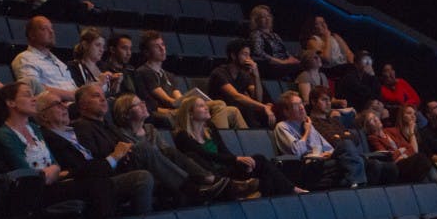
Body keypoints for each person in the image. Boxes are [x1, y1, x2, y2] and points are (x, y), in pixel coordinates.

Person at [72, 84, 228, 205]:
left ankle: (208, 181)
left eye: (103, 96)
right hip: (115, 171)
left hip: (127, 163)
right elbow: (94, 160)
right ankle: (194, 190)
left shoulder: (107, 125)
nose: (103, 99)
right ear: (83, 105)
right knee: (145, 148)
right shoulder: (82, 126)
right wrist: (117, 154)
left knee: (168, 151)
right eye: (96, 96)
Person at [32, 87, 154, 215]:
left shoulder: (74, 131)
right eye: (57, 104)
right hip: (93, 181)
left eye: (64, 102)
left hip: (103, 174)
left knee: (150, 154)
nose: (65, 107)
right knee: (142, 176)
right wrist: (115, 156)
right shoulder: (48, 137)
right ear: (44, 116)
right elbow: (80, 167)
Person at [112, 92, 245, 197]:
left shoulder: (150, 128)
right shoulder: (121, 135)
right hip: (146, 173)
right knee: (151, 149)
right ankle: (202, 184)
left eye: (142, 102)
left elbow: (166, 153)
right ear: (125, 114)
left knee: (172, 151)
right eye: (137, 104)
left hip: (164, 171)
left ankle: (209, 179)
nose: (143, 105)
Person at [172, 96, 300, 196]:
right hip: (212, 176)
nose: (206, 108)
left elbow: (224, 151)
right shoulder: (183, 136)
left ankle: (289, 190)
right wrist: (235, 160)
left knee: (258, 161)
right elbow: (206, 155)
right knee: (193, 156)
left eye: (206, 105)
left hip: (226, 170)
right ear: (190, 114)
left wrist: (239, 163)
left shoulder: (210, 129)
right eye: (201, 106)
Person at [134, 30, 245, 129]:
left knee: (233, 111)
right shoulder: (145, 71)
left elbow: (178, 98)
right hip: (166, 113)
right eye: (156, 46)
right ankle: (218, 142)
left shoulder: (168, 75)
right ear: (147, 52)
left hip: (177, 109)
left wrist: (191, 100)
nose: (162, 49)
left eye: (162, 45)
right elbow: (169, 101)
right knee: (218, 104)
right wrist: (192, 102)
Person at [273, 90, 366, 190]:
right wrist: (307, 131)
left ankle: (354, 185)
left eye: (301, 103)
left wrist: (329, 153)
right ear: (286, 112)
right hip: (307, 166)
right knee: (353, 158)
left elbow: (327, 147)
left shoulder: (307, 124)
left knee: (357, 156)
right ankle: (357, 186)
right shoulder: (282, 127)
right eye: (296, 105)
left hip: (323, 160)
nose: (301, 107)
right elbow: (297, 151)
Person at [309, 86, 397, 186]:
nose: (328, 103)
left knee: (389, 167)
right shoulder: (311, 122)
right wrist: (343, 136)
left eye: (329, 100)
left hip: (350, 155)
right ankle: (357, 186)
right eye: (324, 100)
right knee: (346, 144)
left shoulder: (334, 121)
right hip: (331, 155)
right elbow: (333, 140)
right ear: (313, 102)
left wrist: (340, 136)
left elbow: (355, 139)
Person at [207, 39, 276, 127]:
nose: (248, 59)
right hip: (222, 113)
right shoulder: (219, 73)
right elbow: (236, 96)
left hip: (239, 113)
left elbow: (258, 98)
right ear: (233, 56)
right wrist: (264, 107)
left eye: (249, 55)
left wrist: (256, 76)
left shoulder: (244, 75)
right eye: (245, 54)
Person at [10, 15, 78, 101]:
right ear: (32, 35)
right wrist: (73, 96)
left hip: (75, 104)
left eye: (51, 28)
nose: (51, 32)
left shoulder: (58, 61)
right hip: (55, 106)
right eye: (44, 29)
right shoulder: (25, 58)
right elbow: (33, 89)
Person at [357, 108, 433, 183]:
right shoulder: (373, 138)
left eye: (375, 117)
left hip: (405, 160)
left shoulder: (392, 130)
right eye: (371, 120)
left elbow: (410, 148)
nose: (376, 119)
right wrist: (401, 150)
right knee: (421, 159)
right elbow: (387, 156)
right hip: (396, 165)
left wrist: (402, 155)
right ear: (367, 126)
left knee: (424, 160)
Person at [247, 5, 301, 79]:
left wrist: (292, 59)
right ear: (256, 20)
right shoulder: (256, 34)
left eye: (268, 16)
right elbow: (259, 53)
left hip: (283, 63)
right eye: (263, 17)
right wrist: (281, 62)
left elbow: (285, 52)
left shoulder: (275, 35)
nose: (267, 19)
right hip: (270, 66)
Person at [68, 27, 124, 95]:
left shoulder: (104, 67)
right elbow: (79, 94)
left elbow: (111, 95)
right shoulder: (74, 67)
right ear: (85, 45)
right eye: (98, 45)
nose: (101, 50)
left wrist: (117, 84)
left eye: (103, 46)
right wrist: (100, 83)